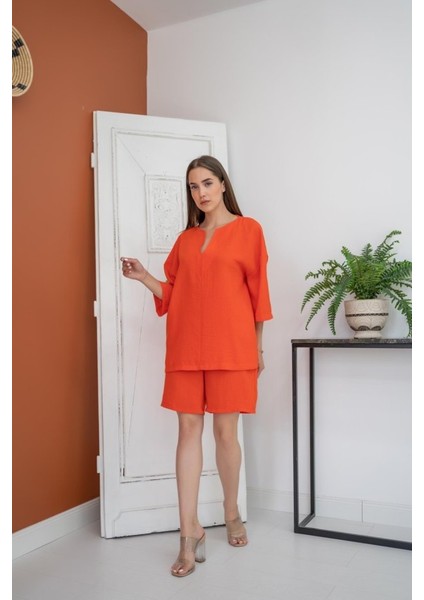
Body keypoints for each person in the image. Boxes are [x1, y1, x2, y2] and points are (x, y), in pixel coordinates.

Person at [121, 155, 273, 577]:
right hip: (186, 349)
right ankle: (189, 533)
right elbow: (172, 294)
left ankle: (231, 510)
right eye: (193, 186)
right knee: (187, 431)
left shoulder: (249, 230)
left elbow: (259, 295)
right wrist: (144, 276)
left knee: (225, 433)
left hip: (233, 348)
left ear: (223, 184)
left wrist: (258, 349)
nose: (201, 192)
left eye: (207, 183)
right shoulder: (186, 240)